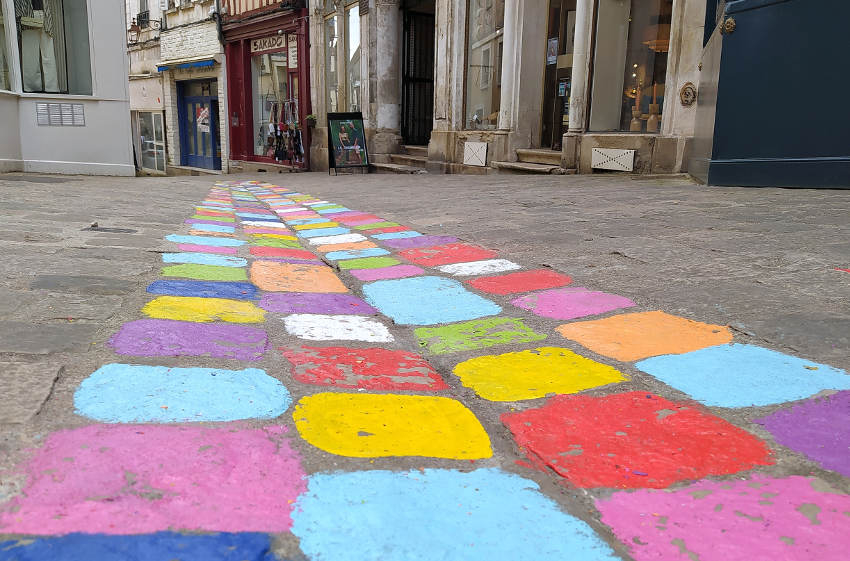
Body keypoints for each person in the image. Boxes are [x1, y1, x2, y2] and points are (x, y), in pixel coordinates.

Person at [14, 0, 62, 92]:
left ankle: (48, 88)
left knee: (44, 54)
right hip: (29, 15)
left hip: (41, 14)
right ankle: (38, 88)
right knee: (32, 55)